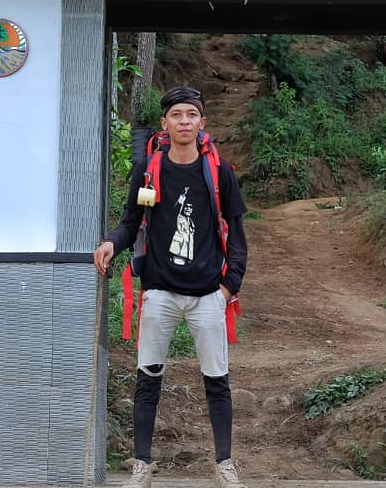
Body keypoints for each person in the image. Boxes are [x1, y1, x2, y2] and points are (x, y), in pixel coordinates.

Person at [94, 86, 248, 488]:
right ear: (165, 122)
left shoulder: (219, 173)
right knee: (148, 378)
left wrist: (229, 286)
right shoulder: (150, 170)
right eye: (176, 115)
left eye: (190, 115)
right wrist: (112, 241)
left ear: (202, 123)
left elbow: (238, 236)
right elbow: (131, 223)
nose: (183, 121)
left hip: (208, 296)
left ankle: (225, 465)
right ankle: (142, 466)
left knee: (218, 380)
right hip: (160, 292)